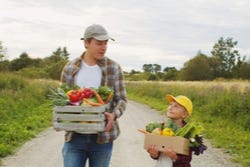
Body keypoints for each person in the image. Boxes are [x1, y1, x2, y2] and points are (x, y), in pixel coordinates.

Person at [60, 24, 127, 167]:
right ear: (86, 42)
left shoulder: (113, 67)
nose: (103, 47)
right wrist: (60, 115)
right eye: (99, 43)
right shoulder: (71, 67)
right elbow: (62, 98)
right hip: (75, 137)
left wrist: (114, 115)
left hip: (102, 138)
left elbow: (122, 99)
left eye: (105, 43)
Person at [147, 95, 194, 167]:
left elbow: (186, 160)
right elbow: (157, 155)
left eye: (176, 106)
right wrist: (154, 154)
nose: (171, 107)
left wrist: (174, 156)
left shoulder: (188, 133)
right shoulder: (160, 128)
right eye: (170, 104)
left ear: (184, 114)